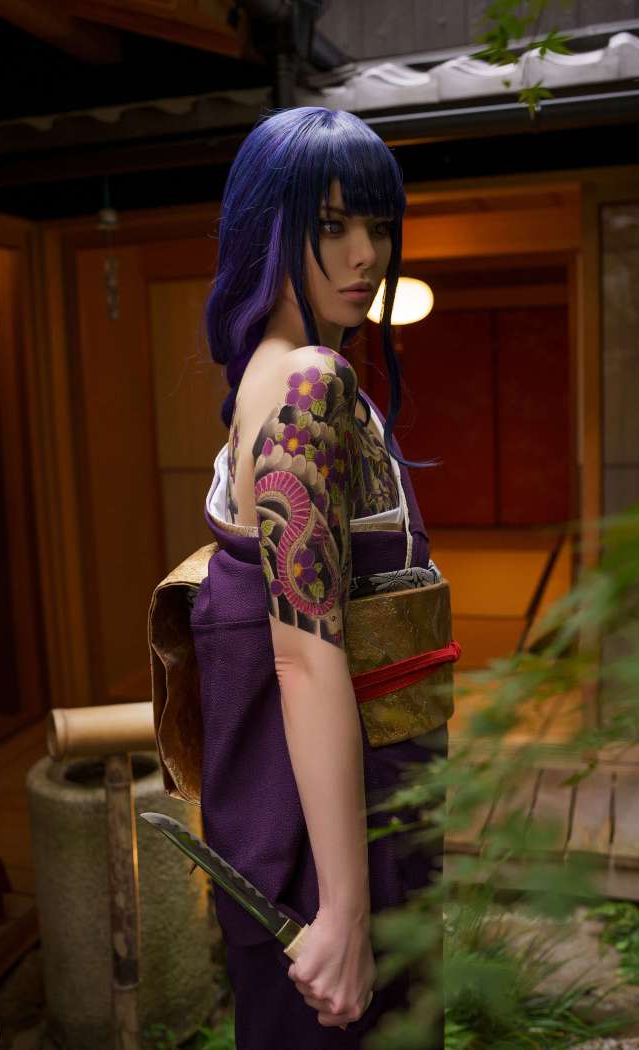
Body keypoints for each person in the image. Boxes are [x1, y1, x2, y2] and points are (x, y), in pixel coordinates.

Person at [192, 106, 450, 1048]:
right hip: (329, 837)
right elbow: (301, 657)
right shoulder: (308, 382)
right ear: (269, 225)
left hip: (324, 808)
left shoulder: (268, 377)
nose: (365, 253)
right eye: (332, 223)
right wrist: (343, 909)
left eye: (377, 224)